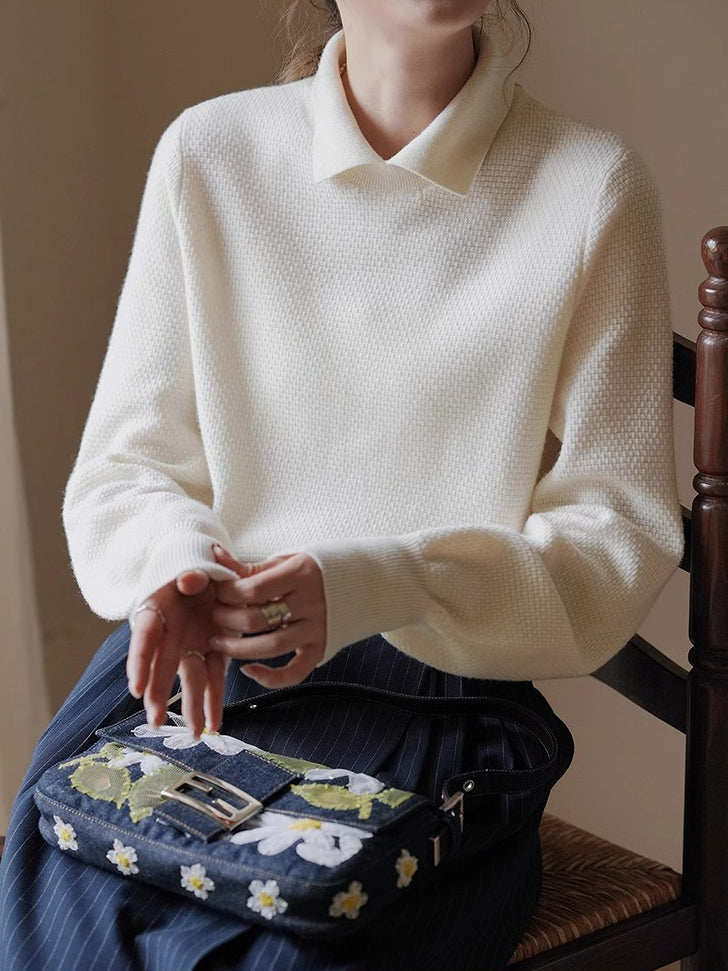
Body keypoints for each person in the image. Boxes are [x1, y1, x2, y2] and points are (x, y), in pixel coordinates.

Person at [0, 0, 684, 969]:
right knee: (58, 923)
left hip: (434, 710)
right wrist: (181, 565)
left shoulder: (589, 185)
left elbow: (617, 535)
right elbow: (125, 466)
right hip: (196, 675)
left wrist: (378, 580)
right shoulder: (210, 155)